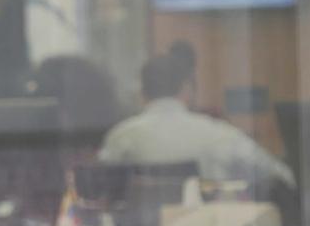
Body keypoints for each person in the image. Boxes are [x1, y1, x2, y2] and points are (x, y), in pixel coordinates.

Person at [100, 52, 296, 190]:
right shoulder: (218, 134)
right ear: (187, 89)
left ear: (141, 94)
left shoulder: (120, 137)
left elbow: (99, 186)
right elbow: (280, 176)